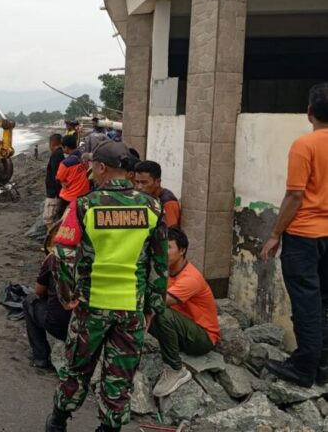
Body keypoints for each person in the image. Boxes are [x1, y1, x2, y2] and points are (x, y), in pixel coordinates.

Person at [45, 140, 168, 432]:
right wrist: (154, 306)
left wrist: (66, 296)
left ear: (101, 167)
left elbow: (62, 255)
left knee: (76, 370)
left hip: (91, 306)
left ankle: (58, 421)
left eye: (92, 166)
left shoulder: (85, 205)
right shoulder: (152, 206)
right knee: (120, 377)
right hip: (131, 309)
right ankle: (109, 427)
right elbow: (160, 263)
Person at [261, 82, 328, 388]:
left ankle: (303, 368)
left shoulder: (305, 145)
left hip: (304, 237)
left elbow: (295, 196)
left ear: (310, 112)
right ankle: (322, 366)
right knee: (324, 301)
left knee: (306, 302)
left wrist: (275, 234)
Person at [150, 227, 220, 397]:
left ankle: (175, 369)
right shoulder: (164, 270)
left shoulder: (190, 278)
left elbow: (159, 304)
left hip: (202, 338)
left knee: (159, 312)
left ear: (182, 251)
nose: (162, 252)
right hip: (183, 329)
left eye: (168, 247)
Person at [23, 253, 73, 369]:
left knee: (29, 301)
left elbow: (39, 291)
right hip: (90, 327)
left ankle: (40, 357)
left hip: (59, 325)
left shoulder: (54, 258)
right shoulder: (98, 259)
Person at [134, 160, 181, 228]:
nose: (139, 187)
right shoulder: (144, 198)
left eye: (144, 182)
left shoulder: (168, 202)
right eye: (137, 182)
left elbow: (171, 233)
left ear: (157, 182)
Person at [54, 134, 90, 221]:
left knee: (60, 215)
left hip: (70, 195)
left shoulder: (65, 163)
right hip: (84, 192)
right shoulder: (83, 156)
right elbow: (87, 167)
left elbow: (59, 178)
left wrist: (61, 182)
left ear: (66, 147)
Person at [44, 133, 65, 229]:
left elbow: (57, 176)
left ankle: (53, 241)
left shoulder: (56, 155)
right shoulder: (62, 154)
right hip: (59, 193)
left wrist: (57, 194)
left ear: (52, 144)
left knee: (49, 219)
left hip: (54, 194)